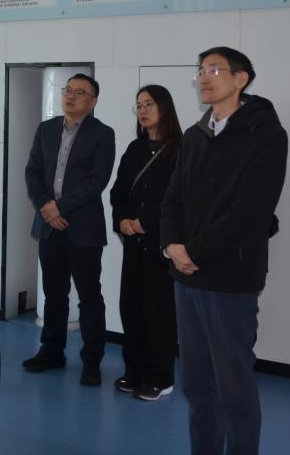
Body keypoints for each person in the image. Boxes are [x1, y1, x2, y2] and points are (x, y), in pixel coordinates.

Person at [160, 46, 288, 455]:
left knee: (234, 386)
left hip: (230, 278)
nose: (204, 77)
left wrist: (191, 252)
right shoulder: (196, 134)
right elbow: (172, 199)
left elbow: (250, 213)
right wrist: (171, 246)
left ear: (241, 79)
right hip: (185, 277)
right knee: (197, 385)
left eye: (214, 69)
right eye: (200, 70)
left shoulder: (266, 134)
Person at [22, 73, 116, 387]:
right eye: (68, 90)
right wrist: (46, 207)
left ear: (93, 101)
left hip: (83, 228)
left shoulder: (103, 134)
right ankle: (51, 352)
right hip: (49, 226)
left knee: (89, 296)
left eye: (79, 92)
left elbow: (97, 180)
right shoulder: (46, 129)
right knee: (54, 293)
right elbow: (32, 172)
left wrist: (60, 208)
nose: (71, 96)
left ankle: (92, 360)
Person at [110, 84, 182, 401]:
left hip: (161, 245)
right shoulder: (135, 148)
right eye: (138, 105)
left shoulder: (181, 149)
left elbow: (179, 197)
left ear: (164, 107)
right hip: (133, 244)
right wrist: (122, 219)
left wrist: (146, 220)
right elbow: (119, 191)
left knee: (158, 313)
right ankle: (134, 371)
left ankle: (160, 377)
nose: (142, 110)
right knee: (131, 308)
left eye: (149, 104)